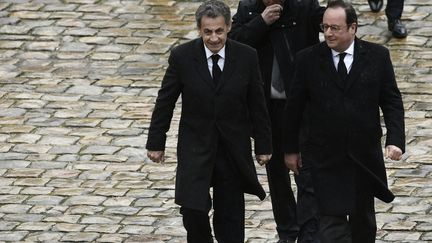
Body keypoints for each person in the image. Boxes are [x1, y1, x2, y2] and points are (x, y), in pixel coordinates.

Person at [146, 0, 273, 242]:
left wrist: (264, 145)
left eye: (219, 31)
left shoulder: (246, 57)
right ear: (199, 30)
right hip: (196, 147)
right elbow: (165, 101)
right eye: (207, 32)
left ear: (228, 27)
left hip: (232, 149)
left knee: (230, 215)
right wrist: (156, 142)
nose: (214, 38)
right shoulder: (182, 57)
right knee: (192, 210)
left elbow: (257, 104)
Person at [283, 0, 405, 242]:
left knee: (363, 225)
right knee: (330, 227)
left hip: (363, 158)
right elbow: (293, 108)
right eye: (325, 27)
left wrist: (395, 139)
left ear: (353, 28)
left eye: (335, 28)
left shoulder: (377, 56)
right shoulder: (307, 59)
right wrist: (290, 150)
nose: (328, 33)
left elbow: (391, 100)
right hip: (324, 159)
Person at [229, 0, 324, 242]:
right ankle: (287, 230)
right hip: (265, 109)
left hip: (301, 107)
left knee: (306, 172)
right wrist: (261, 22)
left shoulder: (303, 5)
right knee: (276, 174)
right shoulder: (248, 8)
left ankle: (309, 233)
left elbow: (325, 20)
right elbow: (234, 43)